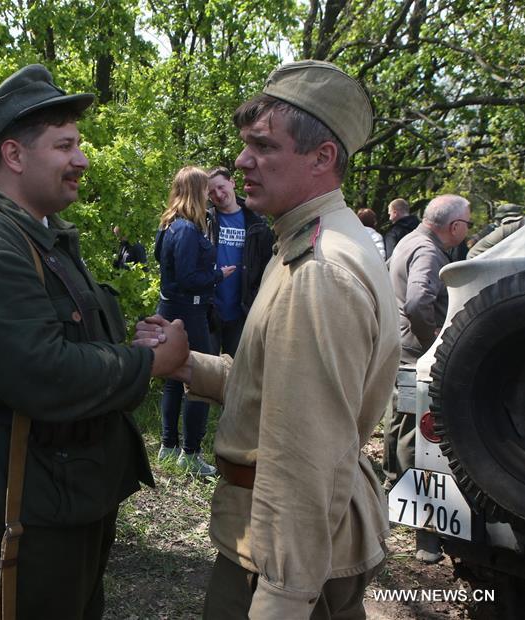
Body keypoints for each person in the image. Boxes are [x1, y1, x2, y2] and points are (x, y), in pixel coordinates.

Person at [137, 60, 400, 618]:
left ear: (322, 157)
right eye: (244, 145)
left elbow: (305, 459)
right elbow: (279, 389)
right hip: (277, 540)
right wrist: (188, 366)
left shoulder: (320, 271)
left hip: (277, 556)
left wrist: (281, 599)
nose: (241, 161)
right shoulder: (306, 243)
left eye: (263, 145)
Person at [0, 64, 187, 618]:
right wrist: (148, 363)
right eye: (65, 145)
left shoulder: (33, 231)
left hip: (65, 487)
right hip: (31, 503)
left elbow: (68, 332)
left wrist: (129, 341)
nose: (82, 159)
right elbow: (41, 373)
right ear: (16, 156)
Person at [383, 195, 471, 564]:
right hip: (413, 355)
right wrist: (434, 342)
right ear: (454, 227)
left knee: (397, 421)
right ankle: (418, 519)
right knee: (414, 434)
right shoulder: (431, 253)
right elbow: (419, 303)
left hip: (398, 346)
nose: (468, 229)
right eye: (467, 223)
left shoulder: (409, 239)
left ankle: (390, 490)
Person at [155, 166, 232, 476]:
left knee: (174, 378)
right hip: (187, 312)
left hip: (173, 308)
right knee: (198, 379)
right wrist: (217, 275)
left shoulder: (169, 225)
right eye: (205, 189)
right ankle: (190, 452)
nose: (210, 195)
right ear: (196, 191)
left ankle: (169, 446)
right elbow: (188, 277)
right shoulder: (186, 229)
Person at [205, 166, 274, 356]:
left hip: (242, 311)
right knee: (204, 375)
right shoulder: (204, 220)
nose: (218, 194)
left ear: (232, 182)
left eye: (221, 187)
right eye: (211, 192)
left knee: (237, 374)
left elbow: (267, 266)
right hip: (209, 311)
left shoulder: (257, 222)